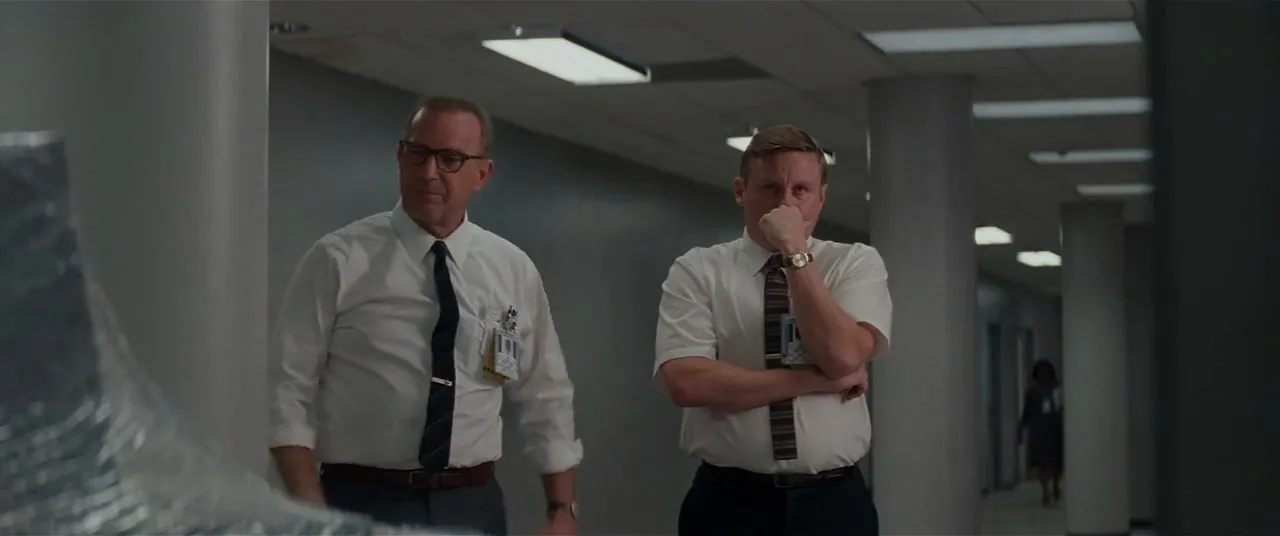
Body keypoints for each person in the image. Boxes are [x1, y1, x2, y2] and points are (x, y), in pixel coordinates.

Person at [269, 96, 582, 536]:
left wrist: (562, 509)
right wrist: (311, 510)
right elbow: (286, 388)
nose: (429, 172)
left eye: (450, 159)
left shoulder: (511, 269)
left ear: (482, 174)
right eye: (418, 153)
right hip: (362, 500)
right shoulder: (339, 259)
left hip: (472, 503)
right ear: (401, 156)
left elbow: (545, 392)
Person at [653, 124, 891, 536]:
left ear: (821, 197)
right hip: (729, 502)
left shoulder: (855, 263)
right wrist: (817, 381)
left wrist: (795, 251)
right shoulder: (698, 269)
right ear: (740, 191)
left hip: (832, 503)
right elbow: (687, 382)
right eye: (770, 189)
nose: (786, 204)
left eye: (801, 190)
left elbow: (841, 356)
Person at [1019, 359, 1064, 506]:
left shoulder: (1056, 389)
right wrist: (1021, 428)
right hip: (1038, 431)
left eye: (1045, 372)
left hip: (1055, 430)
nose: (1043, 375)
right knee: (1042, 464)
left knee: (1056, 463)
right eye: (1040, 372)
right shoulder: (1032, 391)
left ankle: (1055, 486)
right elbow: (1026, 412)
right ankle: (1046, 491)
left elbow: (1062, 408)